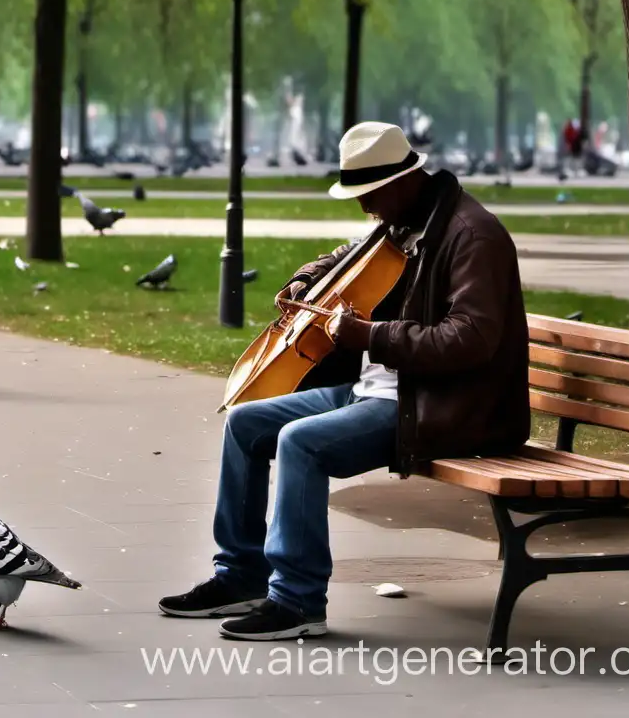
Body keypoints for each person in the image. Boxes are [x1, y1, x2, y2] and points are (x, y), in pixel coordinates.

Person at [157, 121, 530, 641]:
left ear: (403, 181)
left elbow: (471, 338)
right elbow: (343, 258)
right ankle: (239, 575)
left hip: (439, 405)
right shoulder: (399, 224)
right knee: (245, 423)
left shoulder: (471, 236)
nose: (363, 207)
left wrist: (371, 336)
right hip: (379, 391)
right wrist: (308, 277)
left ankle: (297, 600)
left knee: (300, 442)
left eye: (369, 194)